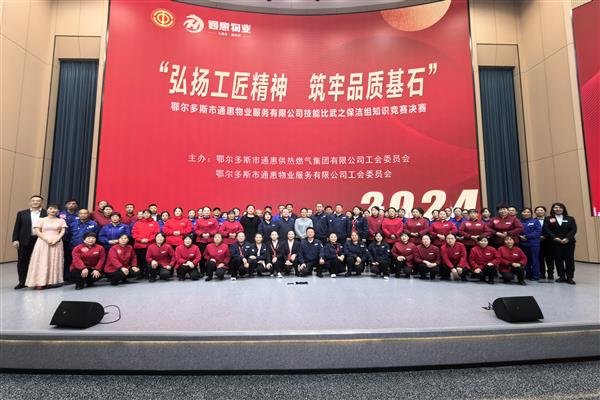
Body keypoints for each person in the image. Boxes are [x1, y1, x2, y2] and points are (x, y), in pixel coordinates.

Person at [25, 203, 67, 289]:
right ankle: (39, 282)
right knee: (42, 261)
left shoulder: (61, 220)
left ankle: (51, 281)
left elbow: (62, 231)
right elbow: (37, 231)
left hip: (56, 242)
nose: (53, 210)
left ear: (58, 211)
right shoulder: (41, 219)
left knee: (54, 261)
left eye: (55, 209)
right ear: (47, 210)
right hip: (43, 242)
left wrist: (57, 239)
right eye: (51, 208)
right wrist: (46, 239)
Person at [12, 195, 48, 289]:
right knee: (22, 261)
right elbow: (17, 227)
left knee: (40, 261)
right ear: (30, 202)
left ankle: (39, 282)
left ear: (42, 203)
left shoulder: (46, 213)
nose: (35, 202)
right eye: (33, 200)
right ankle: (22, 282)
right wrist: (15, 239)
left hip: (41, 240)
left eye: (38, 201)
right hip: (24, 240)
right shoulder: (21, 213)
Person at [544, 202, 577, 284]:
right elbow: (547, 230)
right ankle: (561, 276)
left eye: (560, 207)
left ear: (563, 209)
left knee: (569, 260)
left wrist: (567, 238)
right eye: (555, 207)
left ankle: (570, 277)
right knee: (558, 259)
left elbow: (573, 229)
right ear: (553, 209)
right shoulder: (548, 218)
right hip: (555, 242)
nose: (558, 209)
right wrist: (554, 238)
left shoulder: (570, 218)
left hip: (568, 242)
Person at [131, 209, 160, 278]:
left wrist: (149, 239)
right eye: (145, 213)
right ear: (143, 215)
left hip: (150, 245)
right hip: (139, 245)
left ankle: (149, 273)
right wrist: (140, 240)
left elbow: (156, 233)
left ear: (150, 214)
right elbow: (134, 233)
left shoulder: (155, 223)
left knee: (149, 260)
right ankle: (141, 273)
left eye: (148, 213)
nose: (146, 214)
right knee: (140, 260)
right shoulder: (137, 223)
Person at [519, 208, 542, 280]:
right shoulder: (519, 221)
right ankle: (528, 274)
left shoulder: (535, 221)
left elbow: (538, 232)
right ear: (521, 213)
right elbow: (516, 231)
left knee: (534, 259)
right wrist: (519, 236)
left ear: (531, 213)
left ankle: (535, 275)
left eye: (528, 212)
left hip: (533, 244)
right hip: (522, 244)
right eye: (524, 212)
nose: (526, 213)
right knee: (525, 259)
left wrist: (526, 236)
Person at [195, 206, 219, 273]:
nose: (206, 212)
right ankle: (202, 271)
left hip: (211, 240)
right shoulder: (198, 220)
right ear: (202, 212)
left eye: (208, 210)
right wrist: (201, 234)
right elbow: (196, 229)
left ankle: (210, 271)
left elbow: (217, 229)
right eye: (205, 210)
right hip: (201, 240)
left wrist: (210, 234)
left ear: (210, 212)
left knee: (211, 256)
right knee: (201, 256)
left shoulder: (214, 220)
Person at [534, 206, 554, 280]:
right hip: (537, 241)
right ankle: (542, 273)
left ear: (545, 212)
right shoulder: (533, 220)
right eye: (537, 210)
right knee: (540, 258)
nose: (539, 211)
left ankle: (550, 273)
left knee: (549, 258)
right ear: (535, 212)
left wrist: (545, 236)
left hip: (548, 241)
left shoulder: (550, 220)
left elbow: (553, 230)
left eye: (541, 210)